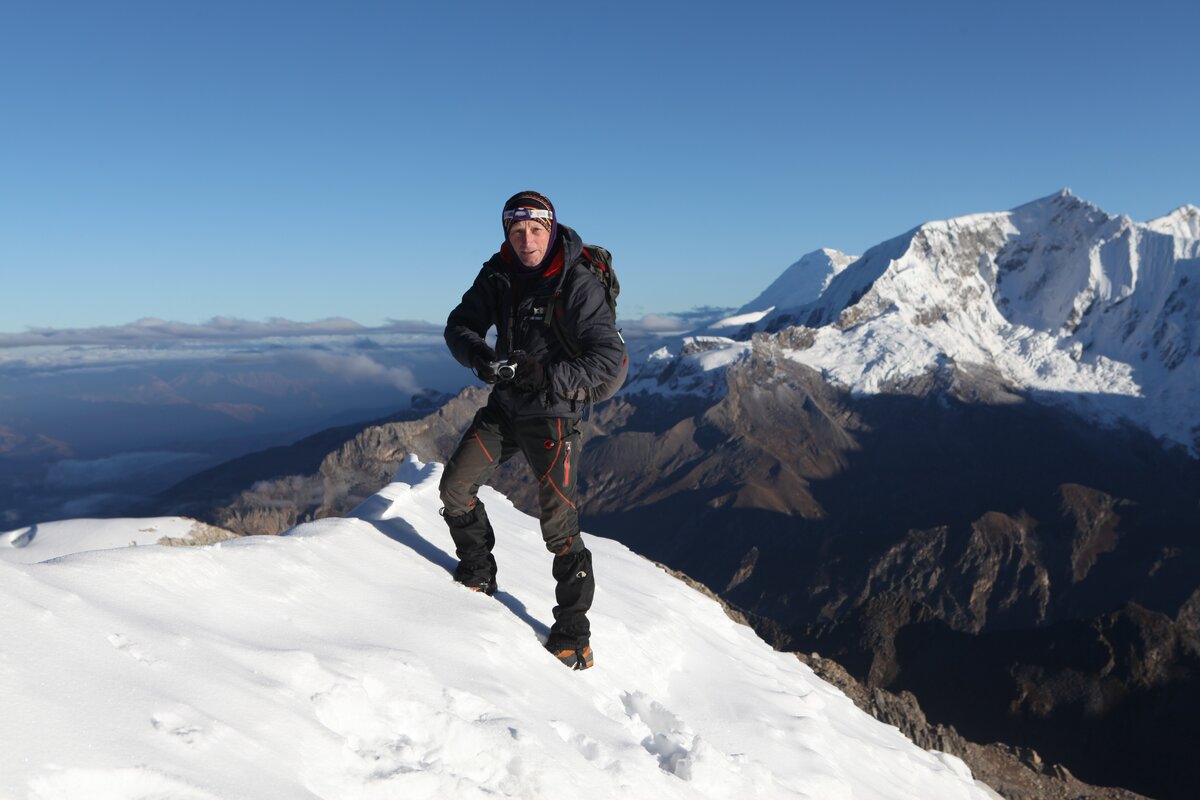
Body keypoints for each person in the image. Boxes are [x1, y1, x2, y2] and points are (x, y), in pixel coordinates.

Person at [439, 190, 625, 671]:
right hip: (506, 407)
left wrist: (546, 376)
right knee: (456, 487)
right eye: (517, 231)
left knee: (559, 530)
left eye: (536, 229)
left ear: (551, 229)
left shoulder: (576, 282)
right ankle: (478, 573)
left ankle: (573, 635)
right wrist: (480, 356)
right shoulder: (498, 273)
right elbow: (460, 324)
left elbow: (609, 361)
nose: (526, 240)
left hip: (554, 416)